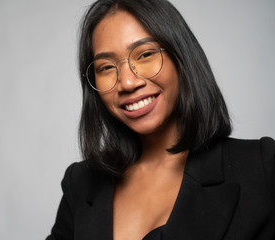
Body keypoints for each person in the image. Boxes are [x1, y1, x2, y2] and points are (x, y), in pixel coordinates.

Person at [47, 0, 275, 239]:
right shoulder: (80, 184)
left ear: (181, 56)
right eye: (105, 67)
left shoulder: (261, 167)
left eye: (145, 54)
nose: (127, 82)